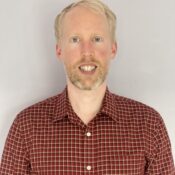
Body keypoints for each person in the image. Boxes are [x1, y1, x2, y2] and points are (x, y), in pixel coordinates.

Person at [0, 0, 174, 174]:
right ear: (59, 50)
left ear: (113, 48)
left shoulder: (149, 125)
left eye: (97, 39)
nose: (87, 51)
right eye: (75, 39)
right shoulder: (26, 127)